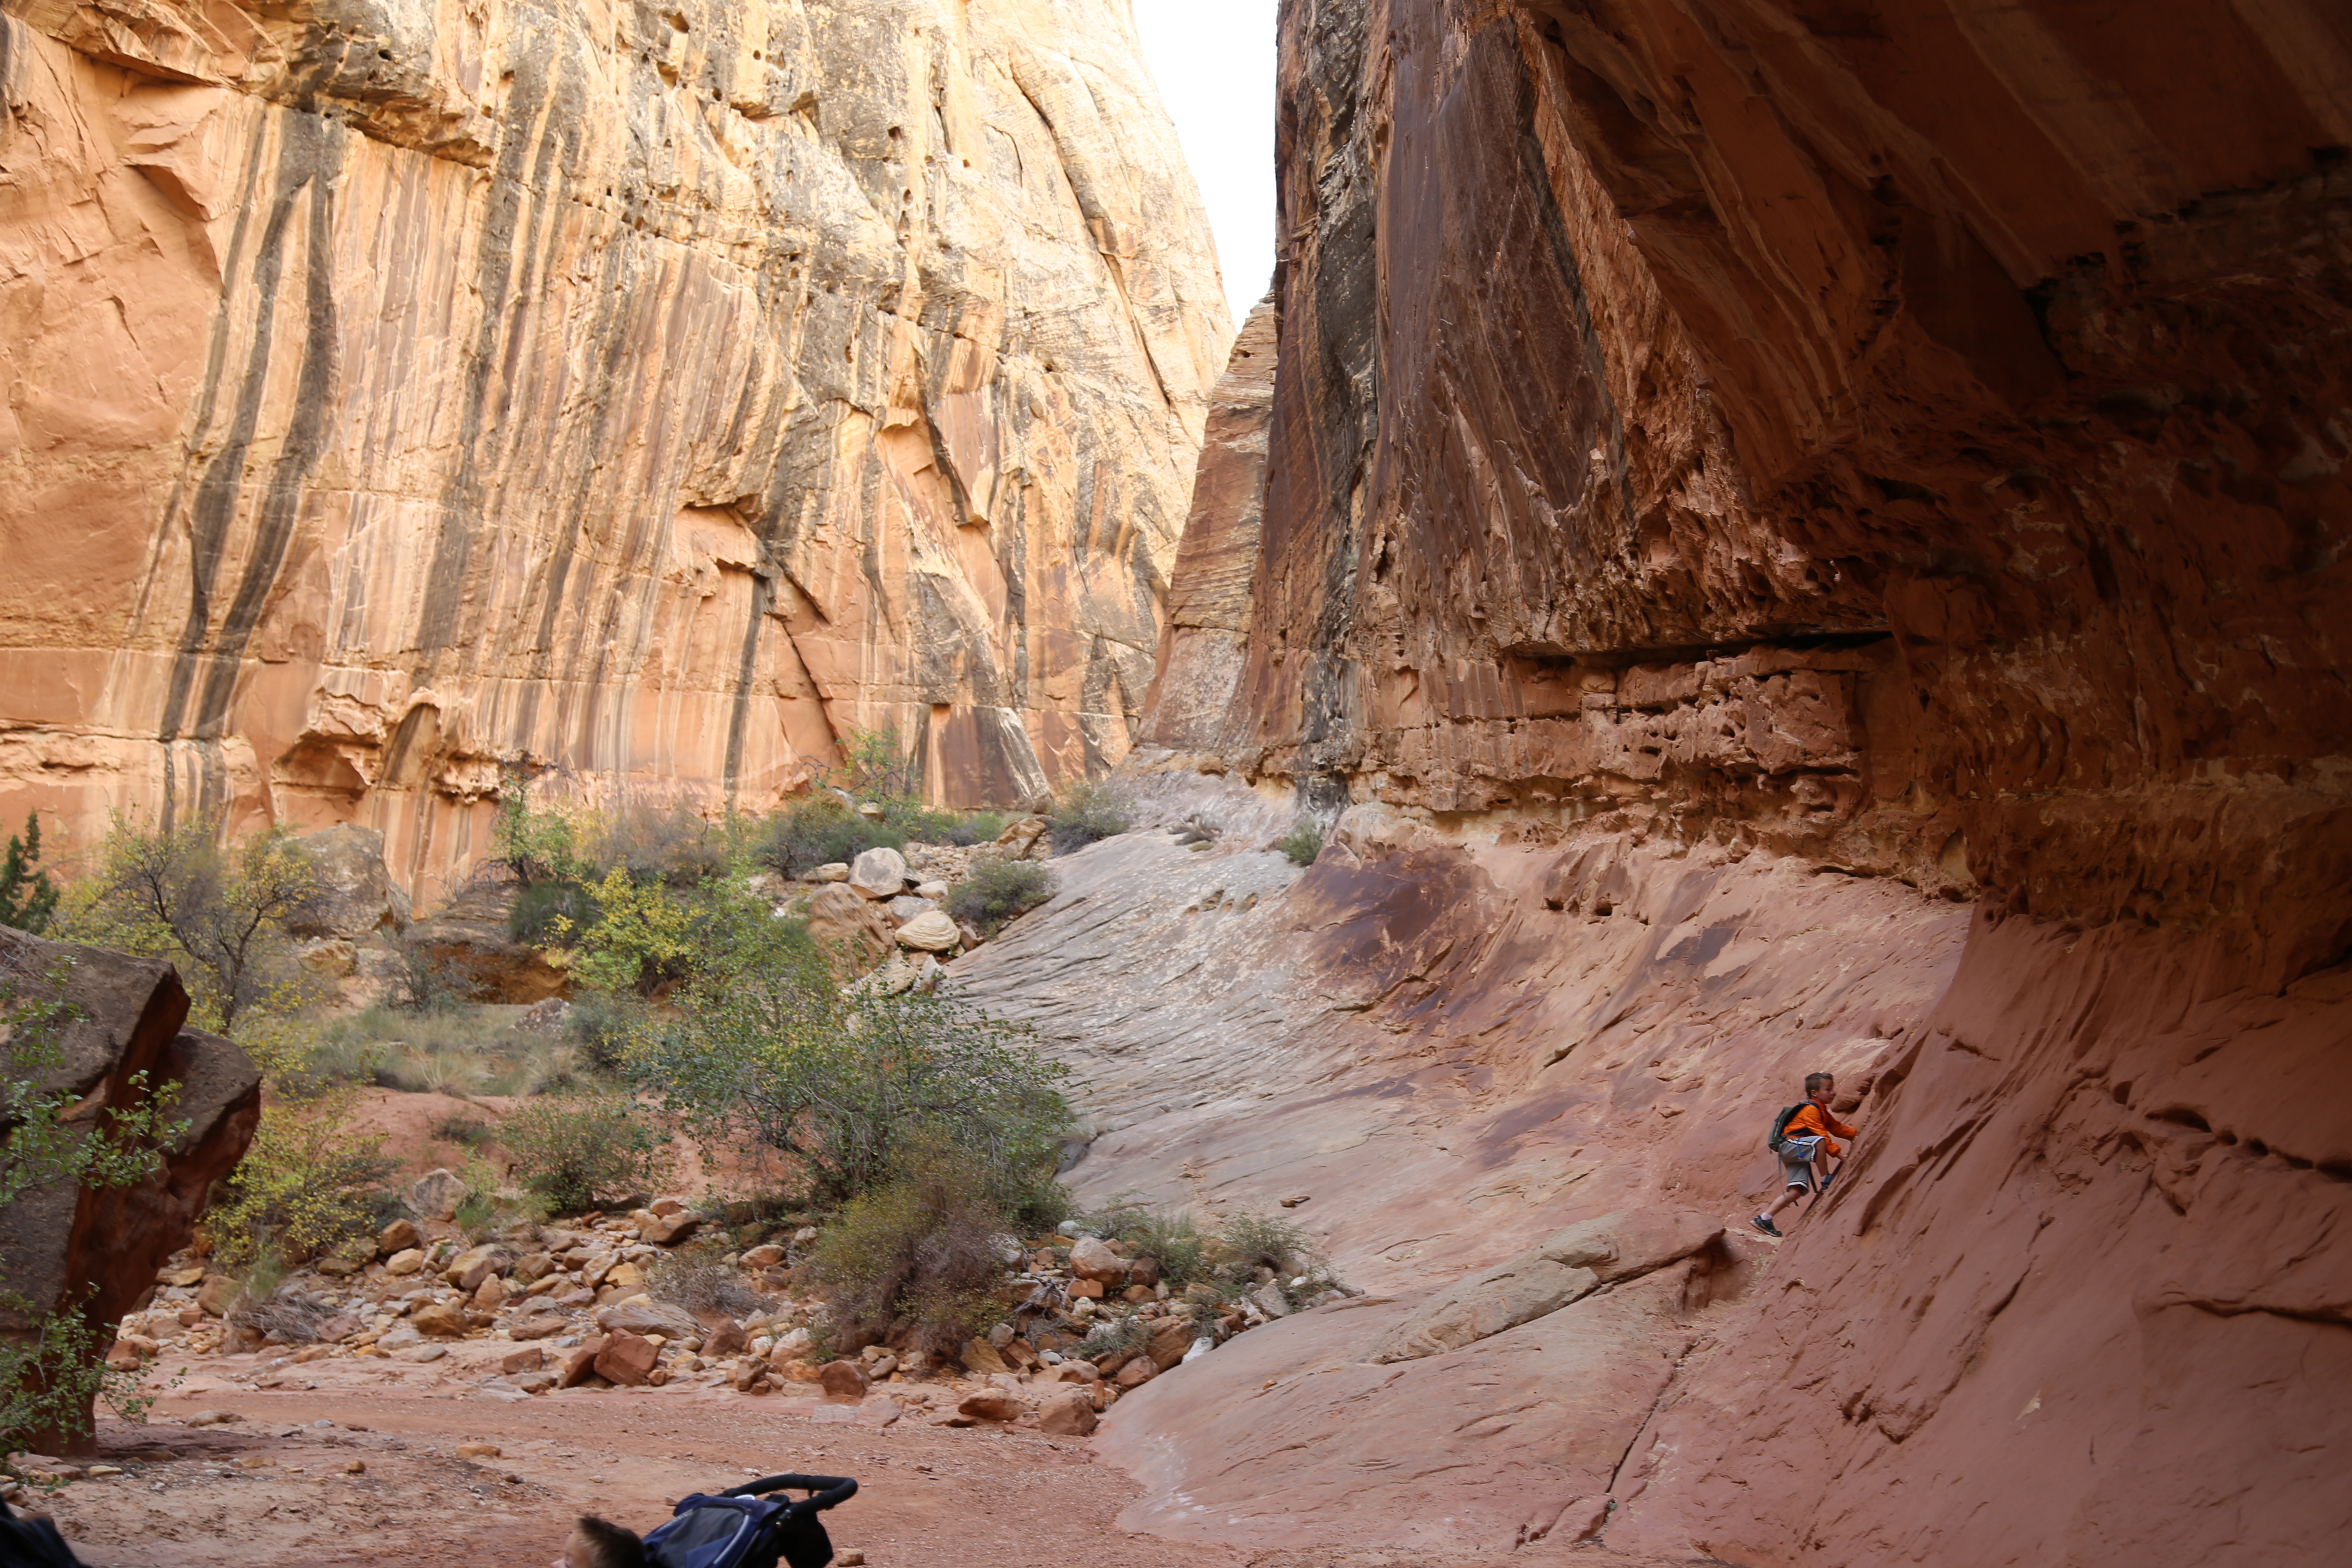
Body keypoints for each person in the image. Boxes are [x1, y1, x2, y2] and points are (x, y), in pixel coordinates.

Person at [1751, 1071, 1857, 1237]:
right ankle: (1826, 1178)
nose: (1833, 1093)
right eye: (1828, 1089)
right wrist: (1842, 1156)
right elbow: (1822, 1135)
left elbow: (1837, 1128)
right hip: (1792, 1145)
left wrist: (1856, 1134)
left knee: (1796, 1191)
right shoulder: (1810, 1110)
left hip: (1795, 1150)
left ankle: (1764, 1218)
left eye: (1832, 1089)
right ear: (1815, 1093)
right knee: (1820, 1141)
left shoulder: (1822, 1111)